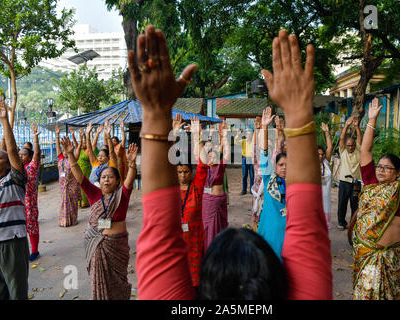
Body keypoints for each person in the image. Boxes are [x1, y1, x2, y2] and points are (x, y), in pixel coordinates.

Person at [133, 26, 331, 300]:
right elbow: (308, 224)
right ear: (282, 280)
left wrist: (155, 112)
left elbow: (160, 236)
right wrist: (297, 110)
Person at [351, 97, 400, 300]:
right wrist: (372, 120)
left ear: (398, 172)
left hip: (394, 259)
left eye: (387, 167)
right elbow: (365, 150)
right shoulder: (371, 183)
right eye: (379, 166)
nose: (381, 170)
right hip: (367, 257)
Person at [61, 136, 138, 300]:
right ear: (99, 180)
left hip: (117, 246)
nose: (106, 179)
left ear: (117, 181)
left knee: (119, 282)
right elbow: (79, 176)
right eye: (103, 177)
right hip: (96, 244)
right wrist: (70, 155)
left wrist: (131, 164)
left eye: (110, 176)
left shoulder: (122, 195)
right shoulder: (93, 193)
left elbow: (130, 180)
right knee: (98, 281)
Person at [0, 98, 29, 300]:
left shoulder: (15, 180)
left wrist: (4, 121)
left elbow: (10, 150)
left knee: (16, 292)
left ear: (7, 164)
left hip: (12, 242)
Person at [173, 114, 209, 287]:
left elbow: (203, 164)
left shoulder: (197, 187)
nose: (183, 175)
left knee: (195, 283)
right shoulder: (171, 189)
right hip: (176, 240)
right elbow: (164, 165)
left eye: (186, 171)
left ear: (191, 171)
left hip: (195, 239)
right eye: (179, 172)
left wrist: (197, 136)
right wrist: (174, 133)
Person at [256, 106, 288, 261]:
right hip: (269, 235)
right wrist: (264, 127)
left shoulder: (294, 185)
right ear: (275, 166)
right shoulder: (270, 179)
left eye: (287, 165)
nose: (284, 168)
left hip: (288, 238)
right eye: (281, 165)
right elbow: (264, 153)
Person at [200, 120, 230, 251]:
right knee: (207, 228)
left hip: (218, 201)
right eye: (209, 156)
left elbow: (226, 150)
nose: (211, 158)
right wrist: (204, 136)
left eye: (214, 156)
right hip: (207, 201)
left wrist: (225, 135)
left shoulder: (221, 166)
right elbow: (201, 150)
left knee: (220, 227)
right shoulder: (204, 168)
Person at [19, 122, 42, 261]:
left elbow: (37, 153)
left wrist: (35, 138)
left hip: (30, 203)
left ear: (29, 156)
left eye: (24, 154)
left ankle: (35, 251)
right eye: (19, 154)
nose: (21, 156)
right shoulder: (17, 169)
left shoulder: (32, 167)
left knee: (32, 227)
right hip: (19, 202)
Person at [337, 116, 362, 230]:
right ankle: (341, 223)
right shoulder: (342, 151)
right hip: (344, 182)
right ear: (345, 146)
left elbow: (360, 139)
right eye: (348, 145)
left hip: (356, 183)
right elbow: (342, 138)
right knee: (342, 203)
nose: (351, 147)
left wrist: (356, 126)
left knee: (355, 204)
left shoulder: (358, 151)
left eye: (352, 145)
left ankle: (353, 224)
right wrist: (346, 125)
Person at [55, 124, 82, 227]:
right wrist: (57, 135)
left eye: (68, 149)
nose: (65, 151)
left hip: (72, 185)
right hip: (63, 185)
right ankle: (64, 220)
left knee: (73, 203)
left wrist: (79, 137)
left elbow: (78, 148)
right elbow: (58, 147)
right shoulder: (60, 159)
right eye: (64, 149)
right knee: (64, 203)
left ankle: (73, 219)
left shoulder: (73, 158)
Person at [85, 121, 117, 187]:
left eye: (102, 156)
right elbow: (90, 150)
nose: (99, 158)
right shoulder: (95, 163)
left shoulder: (111, 164)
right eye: (98, 156)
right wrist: (87, 134)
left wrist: (108, 135)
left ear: (108, 157)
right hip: (94, 191)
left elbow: (111, 151)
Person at [319, 122, 333, 229]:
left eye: (322, 154)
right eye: (318, 154)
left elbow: (329, 148)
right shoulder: (309, 165)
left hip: (326, 199)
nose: (320, 156)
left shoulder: (325, 163)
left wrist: (327, 133)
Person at [75, 129, 93, 207]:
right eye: (82, 143)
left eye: (85, 143)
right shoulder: (79, 150)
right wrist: (79, 137)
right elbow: (76, 143)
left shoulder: (88, 151)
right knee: (79, 186)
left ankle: (86, 202)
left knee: (86, 185)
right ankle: (79, 202)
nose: (83, 144)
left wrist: (85, 136)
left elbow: (88, 143)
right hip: (79, 170)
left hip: (87, 171)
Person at [235, 127, 254, 195]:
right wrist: (238, 135)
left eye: (250, 134)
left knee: (252, 176)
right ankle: (244, 190)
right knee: (244, 175)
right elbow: (236, 142)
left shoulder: (253, 142)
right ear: (246, 135)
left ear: (252, 135)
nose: (249, 135)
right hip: (245, 159)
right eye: (247, 134)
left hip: (251, 159)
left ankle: (252, 190)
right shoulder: (243, 141)